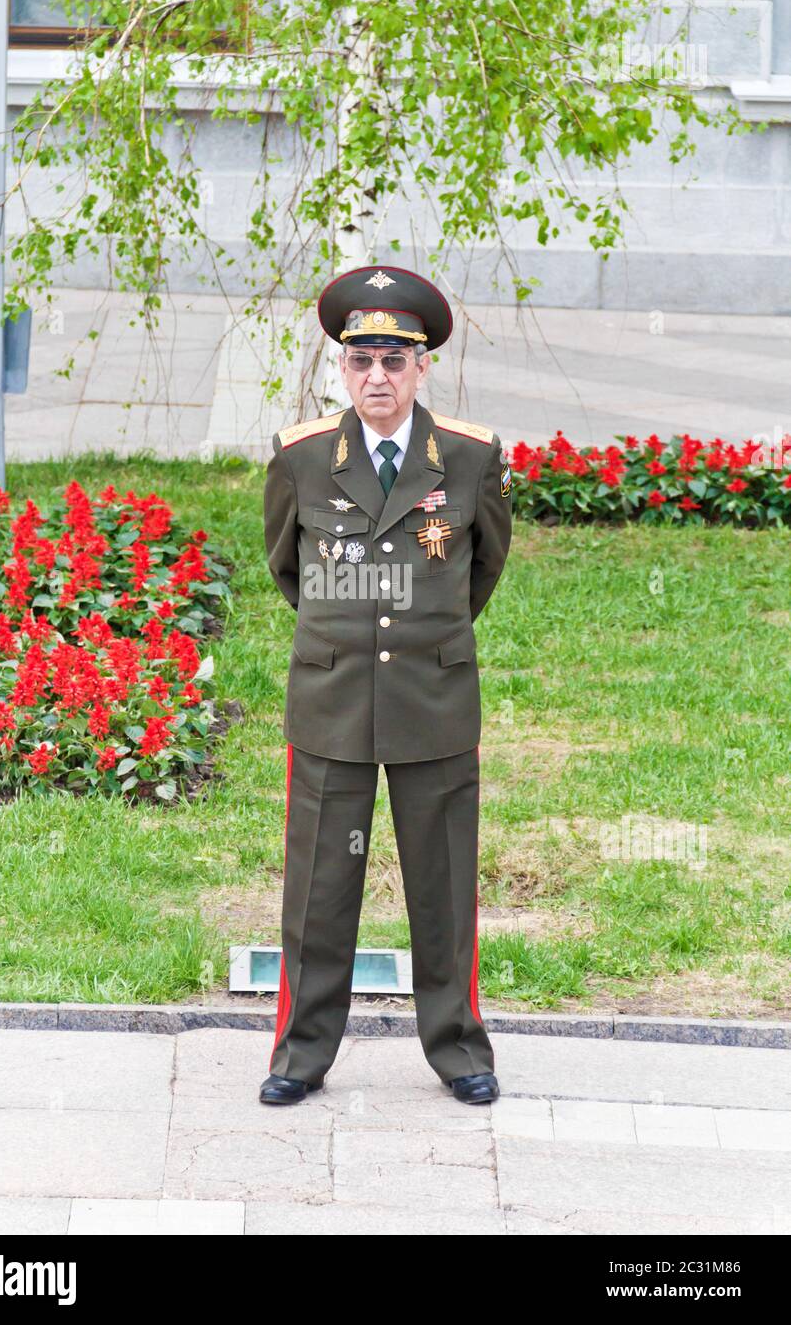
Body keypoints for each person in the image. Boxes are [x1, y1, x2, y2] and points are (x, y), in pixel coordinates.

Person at [260, 264, 512, 1106]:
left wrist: (420, 640)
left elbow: (482, 571)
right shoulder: (301, 459)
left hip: (432, 702)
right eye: (361, 359)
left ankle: (459, 1048)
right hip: (332, 700)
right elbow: (288, 568)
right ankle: (300, 1054)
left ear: (422, 367)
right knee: (319, 891)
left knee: (443, 883)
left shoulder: (471, 458)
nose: (377, 377)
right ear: (341, 367)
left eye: (394, 361)